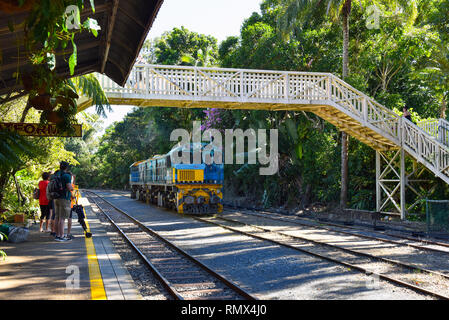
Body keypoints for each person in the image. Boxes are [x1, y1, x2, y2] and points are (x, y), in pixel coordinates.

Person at [53, 161, 74, 242]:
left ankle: (57, 235)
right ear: (66, 167)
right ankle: (61, 236)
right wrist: (72, 188)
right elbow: (69, 188)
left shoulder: (57, 174)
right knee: (62, 218)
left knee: (57, 217)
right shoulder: (67, 176)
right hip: (64, 198)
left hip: (56, 198)